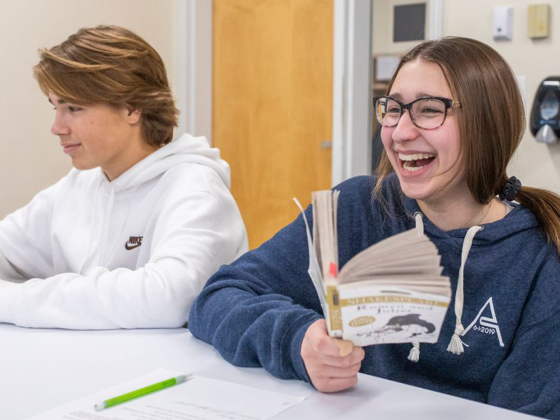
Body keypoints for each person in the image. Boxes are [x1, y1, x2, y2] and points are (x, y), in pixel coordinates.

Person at [189, 37, 560, 418]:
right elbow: (219, 297)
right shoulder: (357, 207)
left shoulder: (540, 259)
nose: (399, 132)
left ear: (488, 123)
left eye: (429, 110)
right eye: (393, 109)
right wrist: (297, 339)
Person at [0, 25, 248, 329]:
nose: (57, 127)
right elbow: (6, 248)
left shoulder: (196, 189)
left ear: (133, 108)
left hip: (171, 372)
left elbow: (169, 299)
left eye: (73, 108)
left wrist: (13, 300)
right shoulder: (79, 185)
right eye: (56, 107)